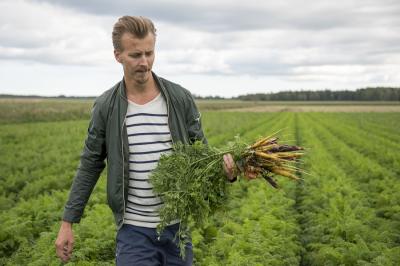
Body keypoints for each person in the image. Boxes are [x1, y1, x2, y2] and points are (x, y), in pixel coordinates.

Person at [54, 16, 240, 265]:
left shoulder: (179, 98)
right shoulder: (106, 107)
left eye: (149, 53)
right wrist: (68, 222)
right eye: (135, 55)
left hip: (177, 229)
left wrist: (227, 172)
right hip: (133, 232)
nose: (144, 63)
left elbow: (203, 155)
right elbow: (90, 164)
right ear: (117, 55)